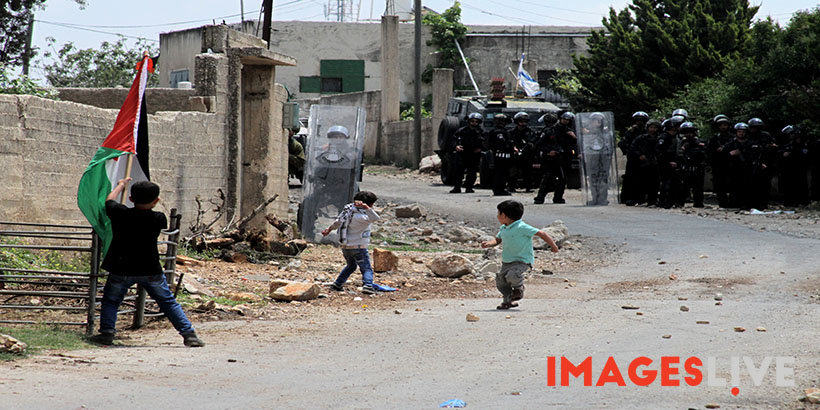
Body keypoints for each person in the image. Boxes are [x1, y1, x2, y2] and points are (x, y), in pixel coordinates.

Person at [91, 178, 204, 347]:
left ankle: (107, 333)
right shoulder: (159, 218)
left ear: (130, 198)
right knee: (167, 302)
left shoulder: (120, 213)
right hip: (150, 269)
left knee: (111, 301)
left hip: (121, 268)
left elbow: (109, 201)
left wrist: (121, 185)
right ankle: (189, 334)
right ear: (156, 201)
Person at [481, 200, 558, 310]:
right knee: (501, 280)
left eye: (498, 213)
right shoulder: (504, 228)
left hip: (522, 260)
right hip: (507, 260)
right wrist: (489, 244)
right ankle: (508, 301)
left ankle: (518, 289)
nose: (497, 216)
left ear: (504, 215)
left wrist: (553, 246)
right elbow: (498, 240)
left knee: (512, 275)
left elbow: (541, 233)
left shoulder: (522, 227)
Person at [322, 191, 381, 294]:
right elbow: (376, 218)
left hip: (345, 246)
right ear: (369, 204)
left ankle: (338, 284)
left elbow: (337, 222)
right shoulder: (362, 217)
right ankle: (368, 285)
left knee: (351, 266)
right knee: (366, 268)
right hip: (359, 247)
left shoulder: (347, 212)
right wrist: (367, 208)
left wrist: (328, 229)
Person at [724, 122, 763, 210]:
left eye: (743, 132)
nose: (741, 133)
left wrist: (743, 153)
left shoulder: (752, 143)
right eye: (739, 132)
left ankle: (750, 204)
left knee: (750, 187)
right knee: (735, 187)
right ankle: (735, 203)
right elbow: (723, 156)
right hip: (735, 168)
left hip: (749, 168)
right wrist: (730, 154)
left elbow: (756, 154)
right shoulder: (731, 144)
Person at [580, 112, 614, 206]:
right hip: (592, 156)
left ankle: (602, 198)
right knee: (593, 177)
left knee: (603, 177)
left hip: (604, 156)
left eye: (599, 120)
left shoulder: (607, 132)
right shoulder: (587, 132)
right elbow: (584, 144)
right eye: (594, 120)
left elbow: (609, 144)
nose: (596, 122)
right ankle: (594, 198)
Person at [447, 112, 485, 193]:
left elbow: (486, 143)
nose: (474, 123)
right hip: (462, 153)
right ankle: (457, 187)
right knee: (458, 171)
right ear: (469, 122)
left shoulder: (481, 132)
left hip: (474, 154)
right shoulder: (461, 131)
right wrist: (456, 146)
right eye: (472, 121)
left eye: (476, 122)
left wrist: (481, 149)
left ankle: (469, 187)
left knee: (472, 172)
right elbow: (453, 140)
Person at [628, 118, 661, 206]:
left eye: (655, 127)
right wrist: (639, 155)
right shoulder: (641, 138)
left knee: (654, 183)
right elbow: (633, 148)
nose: (653, 129)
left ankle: (652, 201)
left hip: (654, 163)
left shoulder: (659, 138)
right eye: (651, 127)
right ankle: (638, 199)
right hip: (642, 164)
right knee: (639, 182)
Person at [620, 111, 649, 205]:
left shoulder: (648, 132)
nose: (639, 122)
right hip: (633, 159)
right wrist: (627, 151)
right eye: (637, 120)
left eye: (641, 120)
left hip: (645, 158)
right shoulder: (630, 132)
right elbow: (623, 143)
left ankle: (642, 198)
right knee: (630, 178)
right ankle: (628, 197)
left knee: (644, 179)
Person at [533, 121, 565, 204]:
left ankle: (558, 197)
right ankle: (540, 197)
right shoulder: (549, 131)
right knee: (548, 177)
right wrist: (548, 151)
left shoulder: (567, 131)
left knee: (562, 178)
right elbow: (539, 144)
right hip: (550, 158)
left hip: (563, 157)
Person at [778, 126, 810, 207]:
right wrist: (783, 154)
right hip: (788, 168)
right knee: (788, 185)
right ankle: (789, 202)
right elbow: (780, 153)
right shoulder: (787, 145)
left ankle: (802, 201)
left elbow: (806, 155)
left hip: (800, 167)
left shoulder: (803, 145)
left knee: (801, 184)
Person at [656, 116, 684, 208]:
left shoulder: (675, 137)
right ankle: (664, 201)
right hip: (665, 164)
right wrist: (669, 161)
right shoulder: (664, 137)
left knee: (675, 183)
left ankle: (673, 201)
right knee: (666, 183)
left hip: (674, 162)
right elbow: (661, 152)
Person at [677, 122, 707, 208]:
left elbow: (704, 153)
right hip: (684, 167)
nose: (688, 134)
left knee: (698, 187)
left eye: (690, 132)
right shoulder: (681, 142)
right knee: (682, 186)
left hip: (697, 167)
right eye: (686, 132)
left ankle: (698, 203)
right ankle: (680, 202)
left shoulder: (699, 142)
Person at [706, 115, 734, 208]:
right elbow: (709, 152)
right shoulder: (714, 139)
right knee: (719, 185)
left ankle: (734, 202)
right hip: (718, 165)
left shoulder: (733, 138)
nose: (723, 127)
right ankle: (723, 203)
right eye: (721, 125)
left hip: (731, 164)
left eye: (725, 125)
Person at [485, 113, 515, 196]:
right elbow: (501, 143)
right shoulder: (499, 132)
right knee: (500, 173)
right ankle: (498, 189)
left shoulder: (501, 131)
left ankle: (501, 188)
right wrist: (509, 145)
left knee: (504, 173)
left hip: (503, 155)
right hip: (500, 156)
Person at [509, 112, 538, 192]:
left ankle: (528, 186)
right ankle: (511, 186)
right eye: (521, 121)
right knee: (513, 171)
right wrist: (513, 148)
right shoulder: (512, 132)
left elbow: (533, 141)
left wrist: (530, 146)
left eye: (525, 121)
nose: (523, 123)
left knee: (527, 171)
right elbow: (509, 142)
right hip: (515, 155)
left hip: (527, 155)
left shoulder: (531, 132)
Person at [554, 112, 578, 190]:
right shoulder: (555, 129)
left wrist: (574, 137)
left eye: (568, 120)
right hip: (556, 155)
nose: (566, 121)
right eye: (564, 119)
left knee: (564, 176)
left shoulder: (569, 130)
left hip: (566, 155)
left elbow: (574, 144)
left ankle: (559, 195)